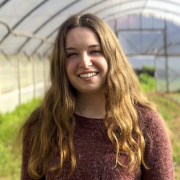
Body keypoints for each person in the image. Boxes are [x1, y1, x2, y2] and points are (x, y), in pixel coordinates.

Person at [21, 13, 174, 180]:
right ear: (60, 64)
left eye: (94, 51)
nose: (85, 63)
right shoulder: (42, 124)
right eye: (72, 54)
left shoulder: (145, 123)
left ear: (111, 57)